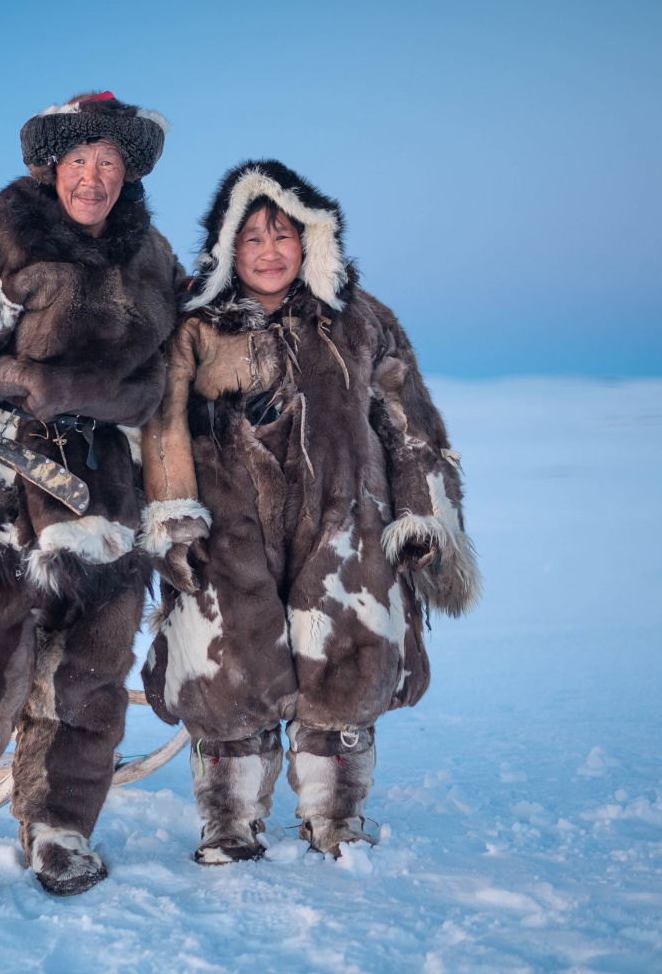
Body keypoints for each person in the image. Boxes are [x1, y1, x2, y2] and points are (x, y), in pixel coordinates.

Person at [0, 93, 185, 902]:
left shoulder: (152, 260)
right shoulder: (1, 238)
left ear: (128, 174)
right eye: (80, 162)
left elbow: (173, 377)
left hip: (102, 495)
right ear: (53, 167)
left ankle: (59, 831)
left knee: (88, 676)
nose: (94, 179)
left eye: (110, 164)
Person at [138, 160, 481, 863]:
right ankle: (229, 822)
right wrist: (173, 513)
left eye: (283, 236)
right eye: (253, 239)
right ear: (229, 248)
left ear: (312, 242)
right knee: (228, 669)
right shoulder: (197, 327)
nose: (269, 252)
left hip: (345, 520)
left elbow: (408, 422)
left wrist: (421, 515)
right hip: (227, 526)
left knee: (345, 666)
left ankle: (336, 819)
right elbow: (163, 423)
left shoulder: (361, 321)